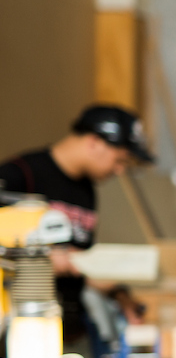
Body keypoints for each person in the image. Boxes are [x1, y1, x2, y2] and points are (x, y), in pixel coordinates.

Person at [0, 104, 153, 344]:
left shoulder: (86, 190)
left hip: (65, 329)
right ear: (94, 142)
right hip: (18, 329)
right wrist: (41, 259)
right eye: (119, 159)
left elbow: (81, 262)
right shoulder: (19, 176)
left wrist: (120, 296)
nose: (120, 170)